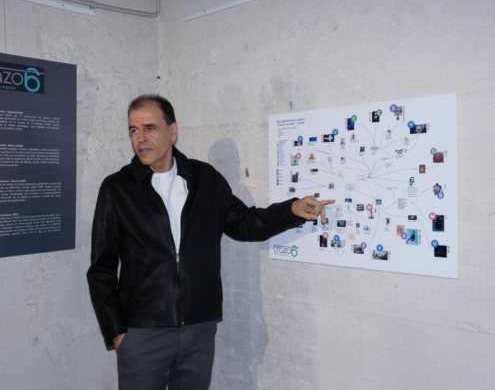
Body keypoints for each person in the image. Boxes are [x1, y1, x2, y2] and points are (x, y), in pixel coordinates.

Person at [86, 95, 334, 390]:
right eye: (133, 130)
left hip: (199, 329)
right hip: (142, 332)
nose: (140, 138)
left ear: (172, 131)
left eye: (149, 128)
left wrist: (291, 210)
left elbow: (244, 223)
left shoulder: (204, 178)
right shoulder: (117, 188)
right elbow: (101, 268)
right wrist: (118, 333)